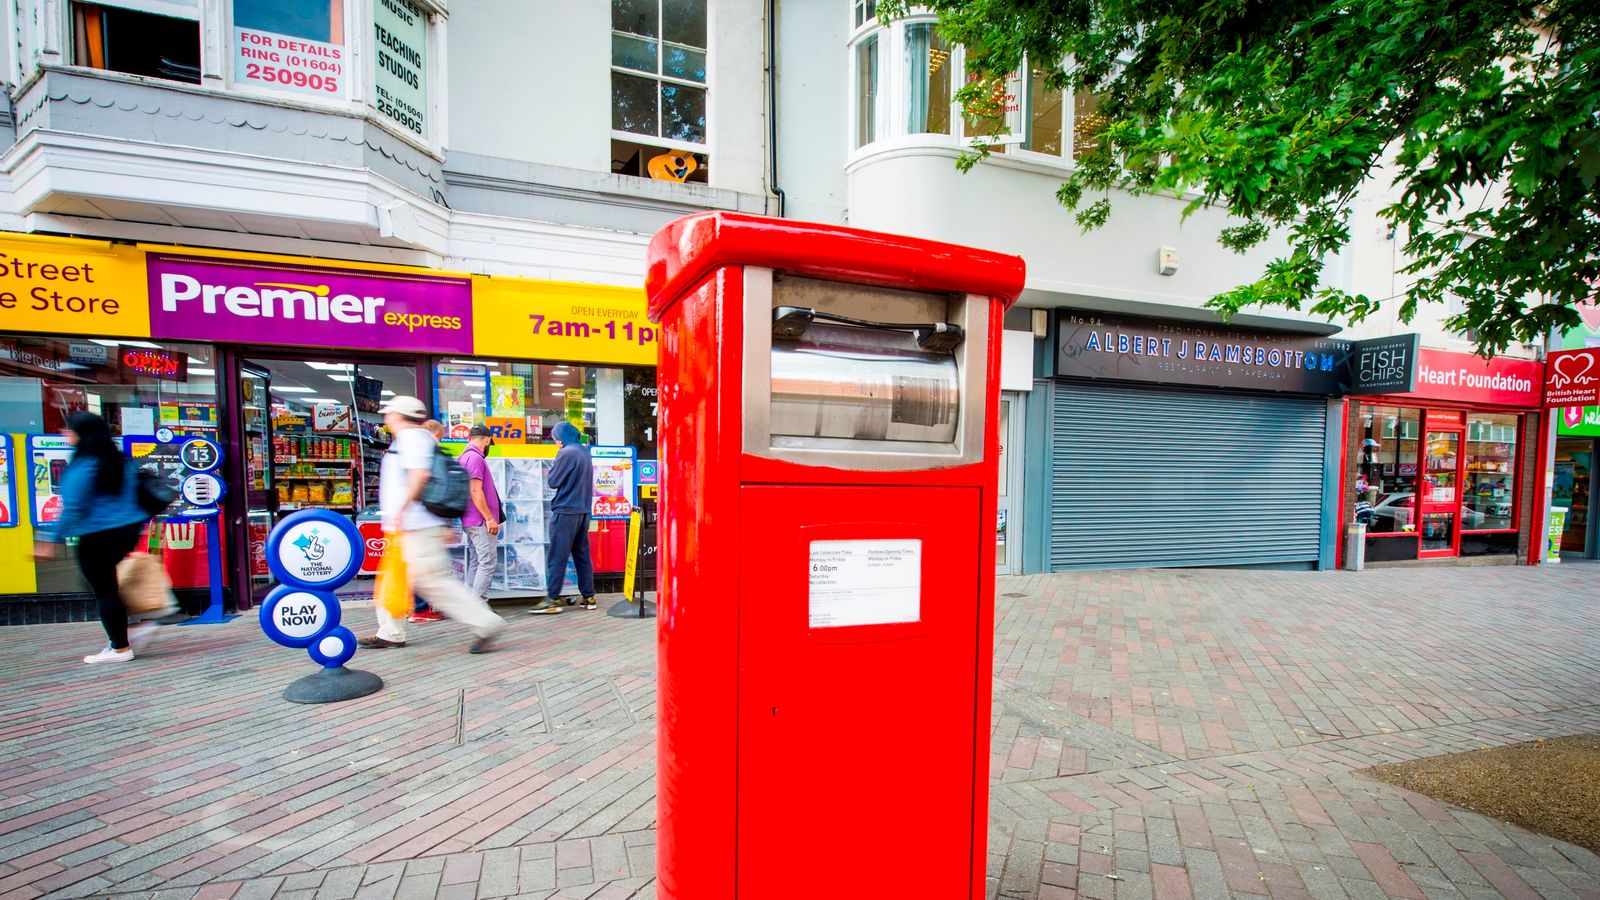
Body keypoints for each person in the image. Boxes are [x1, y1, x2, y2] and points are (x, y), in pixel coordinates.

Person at [360, 396, 506, 653]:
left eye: (389, 414)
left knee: (433, 583)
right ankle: (390, 630)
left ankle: (486, 622)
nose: (386, 419)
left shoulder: (412, 438)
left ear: (399, 416)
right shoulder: (418, 438)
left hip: (414, 527)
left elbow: (421, 476)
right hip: (409, 527)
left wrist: (402, 511)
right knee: (393, 579)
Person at [32, 412, 153, 664]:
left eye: (68, 429)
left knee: (103, 589)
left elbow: (73, 507)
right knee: (103, 586)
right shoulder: (120, 460)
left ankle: (120, 647)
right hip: (127, 531)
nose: (64, 434)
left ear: (82, 433)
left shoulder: (84, 464)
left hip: (97, 534)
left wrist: (50, 539)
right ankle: (131, 627)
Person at [531, 421, 596, 614]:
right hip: (583, 511)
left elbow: (553, 481)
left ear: (561, 438)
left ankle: (552, 598)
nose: (556, 443)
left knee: (558, 555)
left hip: (566, 510)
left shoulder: (567, 453)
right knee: (582, 554)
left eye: (556, 439)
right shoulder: (584, 452)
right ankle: (589, 596)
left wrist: (557, 457)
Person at [408, 419, 448, 623]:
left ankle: (417, 608)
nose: (438, 443)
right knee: (425, 570)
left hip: (411, 522)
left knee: (418, 569)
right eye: (439, 438)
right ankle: (421, 608)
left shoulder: (405, 448)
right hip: (419, 522)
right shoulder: (423, 452)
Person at [459, 424, 502, 600]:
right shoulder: (475, 458)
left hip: (469, 519)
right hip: (479, 520)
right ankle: (478, 605)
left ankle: (470, 604)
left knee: (477, 561)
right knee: (487, 562)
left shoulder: (463, 457)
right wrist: (489, 518)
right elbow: (475, 491)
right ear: (487, 439)